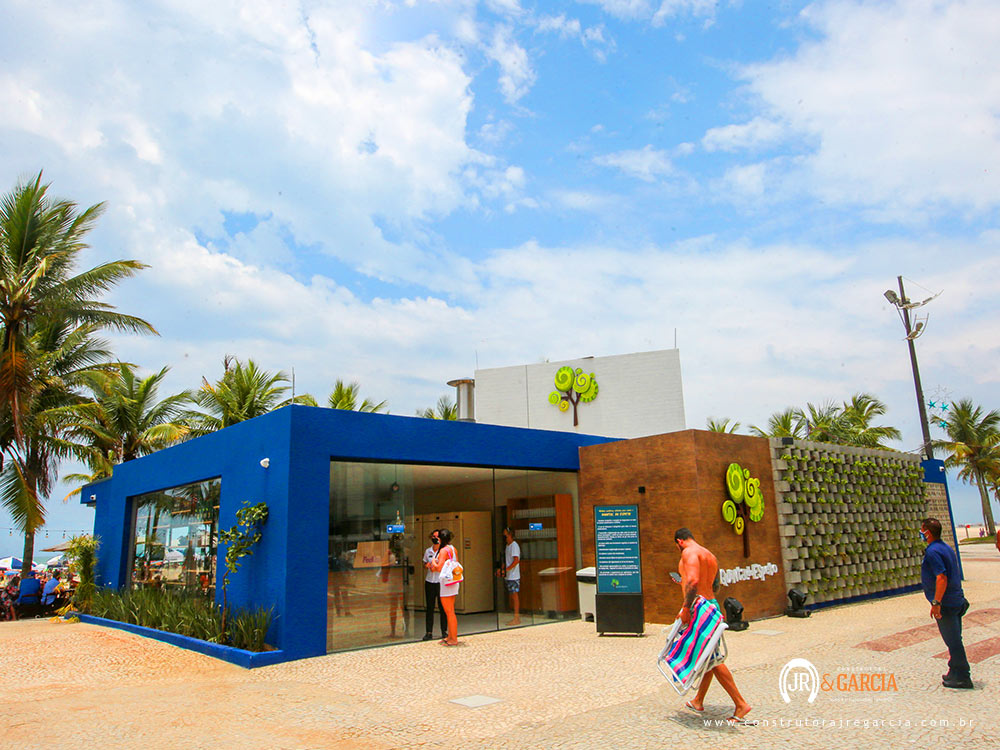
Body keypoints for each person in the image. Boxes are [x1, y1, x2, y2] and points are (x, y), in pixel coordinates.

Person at [673, 528, 752, 723]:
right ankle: (698, 700)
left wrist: (685, 607)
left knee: (714, 659)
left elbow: (693, 581)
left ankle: (741, 704)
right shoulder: (709, 555)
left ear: (679, 541)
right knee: (707, 656)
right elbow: (715, 586)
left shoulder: (689, 553)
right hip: (712, 605)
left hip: (699, 609)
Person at [920, 517, 972, 689]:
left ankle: (963, 676)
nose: (921, 533)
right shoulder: (946, 548)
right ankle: (953, 671)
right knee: (955, 637)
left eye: (922, 530)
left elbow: (941, 577)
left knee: (953, 641)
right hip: (957, 600)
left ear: (927, 532)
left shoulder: (933, 552)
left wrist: (936, 602)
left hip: (947, 604)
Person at [429, 528, 459, 646]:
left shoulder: (443, 551)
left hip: (446, 582)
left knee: (449, 611)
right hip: (453, 581)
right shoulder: (453, 549)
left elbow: (439, 567)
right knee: (450, 610)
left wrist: (433, 562)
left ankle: (453, 638)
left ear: (440, 539)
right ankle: (451, 636)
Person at [422, 529, 447, 641]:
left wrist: (436, 568)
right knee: (430, 608)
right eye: (433, 536)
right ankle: (428, 632)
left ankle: (444, 631)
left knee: (443, 608)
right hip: (429, 582)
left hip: (440, 582)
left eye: (437, 537)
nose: (435, 538)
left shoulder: (443, 551)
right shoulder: (428, 551)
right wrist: (426, 565)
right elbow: (424, 563)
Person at [496, 527, 521, 626]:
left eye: (506, 535)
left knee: (515, 596)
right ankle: (515, 616)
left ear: (510, 535)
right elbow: (506, 561)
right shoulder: (508, 546)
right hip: (509, 575)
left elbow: (516, 560)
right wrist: (502, 570)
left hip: (513, 576)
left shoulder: (514, 546)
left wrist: (506, 569)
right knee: (512, 596)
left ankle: (516, 617)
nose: (504, 537)